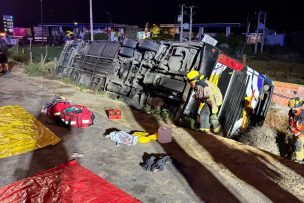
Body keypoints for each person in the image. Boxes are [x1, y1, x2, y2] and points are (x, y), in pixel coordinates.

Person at [288, 97, 304, 164]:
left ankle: (299, 161)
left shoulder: (303, 116)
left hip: (302, 133)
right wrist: (291, 127)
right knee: (295, 144)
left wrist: (300, 133)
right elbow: (290, 120)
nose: (292, 109)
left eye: (294, 108)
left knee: (298, 144)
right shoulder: (291, 112)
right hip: (296, 132)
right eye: (291, 107)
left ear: (299, 107)